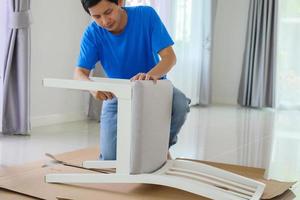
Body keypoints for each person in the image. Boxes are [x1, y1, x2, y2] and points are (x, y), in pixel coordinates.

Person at [75, 0, 190, 160]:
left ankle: (160, 147)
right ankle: (143, 150)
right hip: (117, 95)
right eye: (97, 16)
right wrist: (92, 87)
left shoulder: (146, 15)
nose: (105, 21)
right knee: (110, 160)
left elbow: (169, 58)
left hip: (154, 88)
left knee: (180, 103)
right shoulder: (92, 33)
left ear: (120, 2)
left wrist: (150, 75)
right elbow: (79, 72)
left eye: (108, 12)